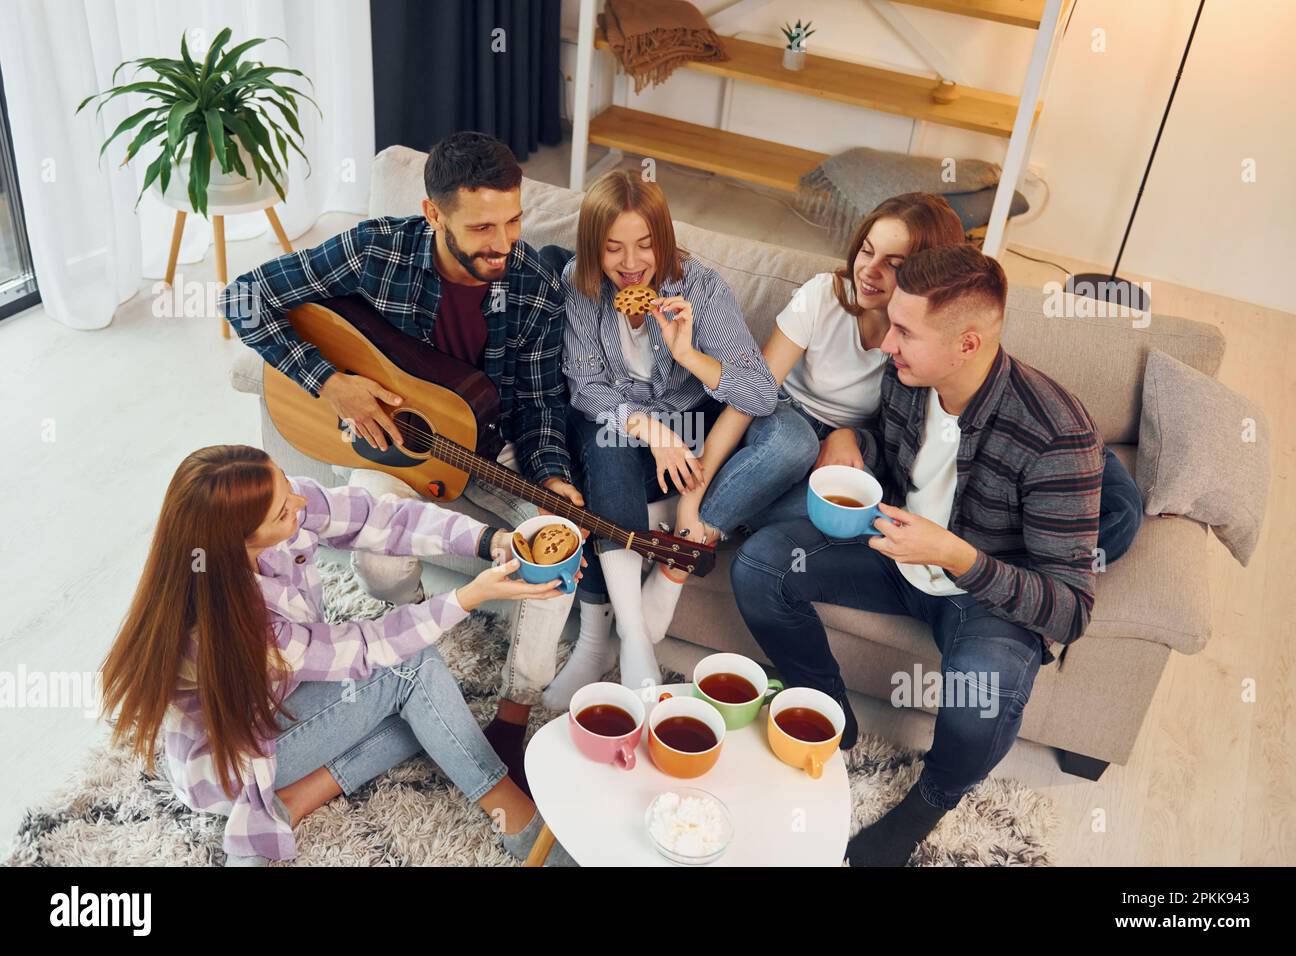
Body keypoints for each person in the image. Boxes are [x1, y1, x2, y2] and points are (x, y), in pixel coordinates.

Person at [220, 132, 581, 796]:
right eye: (481, 226)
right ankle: (420, 648)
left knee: (555, 547)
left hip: (493, 443)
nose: (501, 241)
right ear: (433, 214)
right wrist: (329, 381)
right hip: (395, 446)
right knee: (379, 559)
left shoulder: (530, 284)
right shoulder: (375, 250)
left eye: (513, 219)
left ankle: (512, 712)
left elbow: (537, 402)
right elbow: (244, 298)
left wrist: (553, 477)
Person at [729, 245, 1112, 867]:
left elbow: (1069, 612)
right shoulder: (908, 379)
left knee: (981, 698)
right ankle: (829, 709)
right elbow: (894, 450)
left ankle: (929, 802)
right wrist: (848, 437)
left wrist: (958, 556)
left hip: (985, 593)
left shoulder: (1058, 434)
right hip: (893, 550)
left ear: (967, 343)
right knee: (761, 564)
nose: (886, 344)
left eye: (904, 331)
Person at [647, 193, 1142, 643]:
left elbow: (941, 431)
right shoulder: (825, 298)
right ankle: (691, 540)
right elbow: (749, 395)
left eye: (893, 262)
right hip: (779, 420)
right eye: (866, 250)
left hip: (847, 455)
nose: (869, 270)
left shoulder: (927, 343)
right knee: (793, 444)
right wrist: (692, 507)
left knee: (860, 519)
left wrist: (849, 437)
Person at [99, 445, 577, 866]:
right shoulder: (235, 620)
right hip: (237, 760)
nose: (301, 504)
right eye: (283, 511)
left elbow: (380, 519)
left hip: (282, 698)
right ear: (239, 542)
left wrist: (485, 541)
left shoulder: (289, 506)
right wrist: (466, 598)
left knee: (433, 716)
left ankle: (292, 801)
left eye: (287, 486)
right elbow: (365, 648)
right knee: (411, 670)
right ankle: (516, 818)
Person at [543, 169, 779, 706]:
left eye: (646, 246)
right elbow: (583, 385)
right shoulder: (581, 283)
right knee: (602, 447)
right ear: (592, 249)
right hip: (621, 428)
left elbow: (761, 394)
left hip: (687, 429)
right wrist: (647, 429)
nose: (631, 265)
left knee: (609, 456)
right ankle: (626, 640)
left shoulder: (699, 287)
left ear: (664, 241)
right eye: (613, 249)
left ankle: (619, 636)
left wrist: (689, 354)